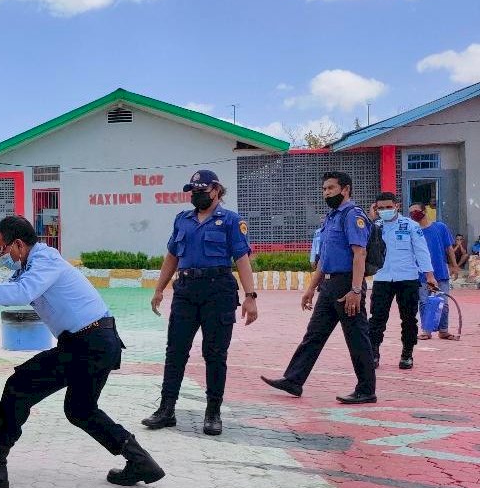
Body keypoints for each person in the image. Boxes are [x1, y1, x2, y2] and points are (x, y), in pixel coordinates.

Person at [0, 216, 165, 488]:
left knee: (20, 386)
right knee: (80, 410)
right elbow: (9, 286)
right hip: (93, 342)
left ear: (18, 244)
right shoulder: (30, 266)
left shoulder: (45, 260)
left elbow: (22, 292)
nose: (0, 255)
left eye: (1, 249)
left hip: (89, 343)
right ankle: (140, 461)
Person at [141, 170, 258, 436]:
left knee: (215, 353)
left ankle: (213, 412)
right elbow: (171, 256)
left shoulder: (231, 220)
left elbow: (242, 259)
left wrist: (251, 297)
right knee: (175, 351)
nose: (196, 195)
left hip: (218, 292)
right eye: (193, 191)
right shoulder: (182, 220)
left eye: (201, 190)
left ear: (216, 190)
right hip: (185, 291)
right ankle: (166, 409)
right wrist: (159, 289)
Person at [261, 171, 377, 404]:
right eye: (324, 189)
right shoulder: (332, 217)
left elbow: (359, 254)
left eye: (331, 188)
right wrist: (310, 289)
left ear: (345, 189)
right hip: (330, 284)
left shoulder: (353, 215)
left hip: (347, 284)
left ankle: (366, 389)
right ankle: (294, 380)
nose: (326, 193)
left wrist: (356, 290)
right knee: (314, 334)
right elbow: (325, 259)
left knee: (356, 337)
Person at [366, 193, 437, 370]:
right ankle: (373, 353)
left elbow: (422, 251)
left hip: (407, 278)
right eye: (380, 208)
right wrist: (370, 219)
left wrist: (429, 275)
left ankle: (407, 353)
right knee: (377, 318)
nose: (384, 211)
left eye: (388, 207)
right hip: (382, 278)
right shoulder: (374, 227)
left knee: (409, 319)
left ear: (396, 206)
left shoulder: (411, 226)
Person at [410, 203, 459, 340]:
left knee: (443, 302)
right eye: (411, 213)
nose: (413, 214)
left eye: (416, 211)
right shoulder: (413, 230)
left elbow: (449, 248)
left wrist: (454, 266)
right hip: (421, 274)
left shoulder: (440, 227)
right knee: (424, 302)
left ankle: (443, 330)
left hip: (440, 271)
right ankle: (427, 330)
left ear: (424, 211)